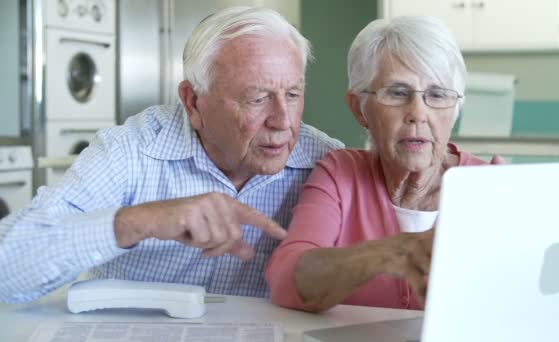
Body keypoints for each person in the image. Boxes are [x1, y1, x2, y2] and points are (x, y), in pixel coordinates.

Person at [0, 6, 343, 304]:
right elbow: (6, 270)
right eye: (256, 99)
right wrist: (141, 220)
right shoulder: (130, 151)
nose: (283, 120)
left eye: (294, 94)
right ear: (194, 101)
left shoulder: (326, 165)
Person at [265, 16, 505, 313]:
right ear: (359, 108)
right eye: (397, 93)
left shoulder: (489, 185)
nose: (418, 113)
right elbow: (287, 280)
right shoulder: (341, 175)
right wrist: (383, 254)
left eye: (437, 95)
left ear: (454, 110)